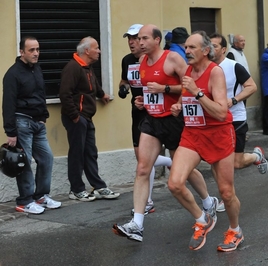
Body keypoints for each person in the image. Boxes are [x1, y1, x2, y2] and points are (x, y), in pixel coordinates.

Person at [112, 24, 215, 243]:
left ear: (157, 40)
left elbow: (189, 85)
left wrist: (168, 92)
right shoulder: (140, 62)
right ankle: (137, 224)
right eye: (138, 39)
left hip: (174, 120)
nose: (139, 43)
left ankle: (208, 202)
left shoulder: (172, 59)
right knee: (142, 168)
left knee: (184, 170)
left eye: (144, 38)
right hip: (152, 120)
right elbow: (148, 91)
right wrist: (141, 100)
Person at [167, 30, 243, 252]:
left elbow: (220, 112)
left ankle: (235, 231)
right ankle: (203, 219)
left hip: (218, 133)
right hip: (192, 134)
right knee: (174, 183)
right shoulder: (189, 70)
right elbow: (186, 93)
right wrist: (180, 105)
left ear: (206, 51)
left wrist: (198, 93)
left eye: (192, 47)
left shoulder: (215, 72)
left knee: (226, 193)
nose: (187, 51)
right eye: (186, 47)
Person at [209, 32, 268, 212]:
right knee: (215, 161)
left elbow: (252, 86)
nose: (211, 49)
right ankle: (224, 196)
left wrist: (233, 100)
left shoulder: (233, 66)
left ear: (224, 49)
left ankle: (257, 156)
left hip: (235, 119)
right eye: (209, 46)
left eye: (215, 46)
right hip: (214, 120)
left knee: (236, 162)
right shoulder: (205, 68)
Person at [2, 36, 61, 214]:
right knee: (25, 163)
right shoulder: (13, 74)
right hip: (22, 123)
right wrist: (10, 131)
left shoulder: (37, 69)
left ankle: (41, 196)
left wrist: (44, 116)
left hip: (38, 123)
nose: (36, 53)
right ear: (22, 52)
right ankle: (25, 201)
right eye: (31, 50)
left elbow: (40, 93)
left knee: (46, 158)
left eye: (37, 49)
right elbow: (8, 104)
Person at [120, 24, 173, 215]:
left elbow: (181, 84)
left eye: (137, 38)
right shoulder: (127, 60)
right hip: (139, 110)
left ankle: (205, 203)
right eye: (130, 39)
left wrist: (165, 91)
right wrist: (124, 89)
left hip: (162, 113)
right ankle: (147, 201)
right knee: (141, 159)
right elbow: (125, 80)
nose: (133, 42)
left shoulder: (158, 59)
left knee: (144, 160)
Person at [59, 36, 120, 201]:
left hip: (86, 117)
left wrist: (101, 94)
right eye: (96, 48)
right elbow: (65, 94)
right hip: (78, 118)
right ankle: (76, 189)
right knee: (77, 154)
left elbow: (93, 84)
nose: (99, 51)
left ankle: (98, 186)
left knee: (90, 153)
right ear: (87, 51)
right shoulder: (73, 68)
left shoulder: (87, 67)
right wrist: (75, 116)